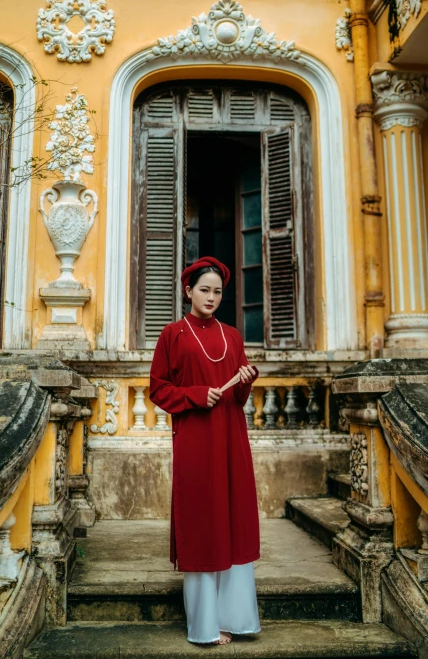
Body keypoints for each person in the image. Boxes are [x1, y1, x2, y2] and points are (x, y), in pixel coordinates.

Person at [150, 255, 261, 645]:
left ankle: (235, 618)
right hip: (195, 438)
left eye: (217, 291)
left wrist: (246, 379)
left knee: (232, 518)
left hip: (231, 435)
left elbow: (240, 394)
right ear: (188, 291)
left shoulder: (232, 335)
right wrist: (197, 395)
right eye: (204, 290)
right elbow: (158, 389)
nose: (211, 297)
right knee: (202, 520)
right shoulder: (172, 335)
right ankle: (204, 625)